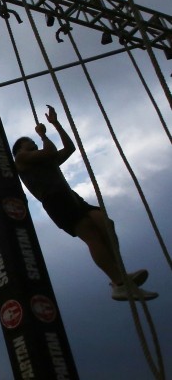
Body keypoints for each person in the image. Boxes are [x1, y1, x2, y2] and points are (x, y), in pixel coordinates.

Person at [12, 104, 157, 301]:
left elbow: (69, 148)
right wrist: (43, 135)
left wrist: (56, 124)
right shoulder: (22, 159)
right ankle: (120, 283)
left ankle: (119, 276)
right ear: (20, 149)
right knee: (91, 235)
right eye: (31, 145)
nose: (35, 146)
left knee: (106, 223)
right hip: (55, 200)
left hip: (70, 197)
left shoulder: (46, 160)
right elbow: (51, 151)